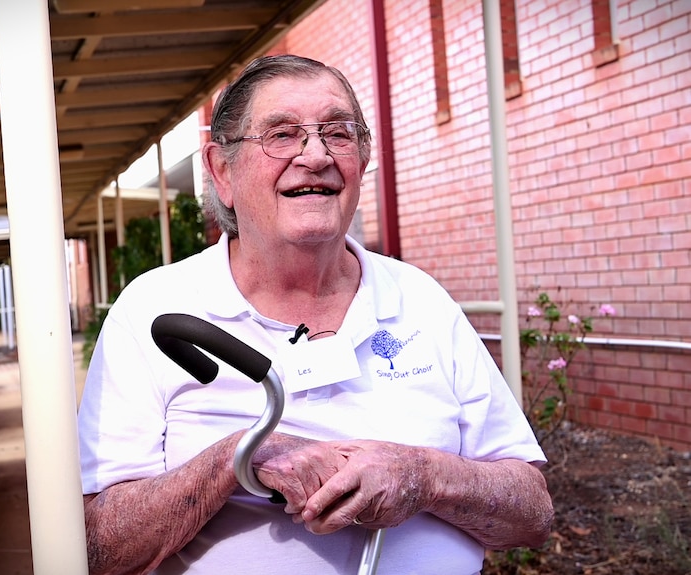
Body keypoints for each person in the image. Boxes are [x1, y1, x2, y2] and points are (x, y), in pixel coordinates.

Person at [78, 54, 553, 575]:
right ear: (221, 170)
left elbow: (531, 512)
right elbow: (100, 547)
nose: (316, 155)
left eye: (338, 133)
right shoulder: (153, 312)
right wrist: (239, 458)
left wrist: (423, 476)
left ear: (363, 158)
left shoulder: (421, 301)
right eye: (281, 134)